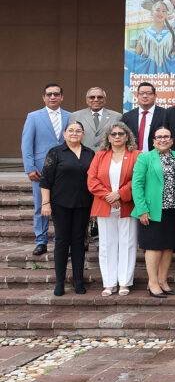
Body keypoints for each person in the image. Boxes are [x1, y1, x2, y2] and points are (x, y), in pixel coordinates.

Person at [40, 121, 95, 295]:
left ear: (83, 134)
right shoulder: (55, 152)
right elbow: (45, 180)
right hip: (60, 204)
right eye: (70, 130)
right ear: (64, 134)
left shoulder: (90, 153)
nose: (74, 133)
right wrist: (45, 203)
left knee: (79, 242)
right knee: (62, 241)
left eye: (78, 130)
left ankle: (79, 281)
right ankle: (60, 283)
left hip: (83, 204)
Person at [86, 123, 140, 296]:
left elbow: (138, 179)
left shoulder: (136, 155)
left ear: (127, 136)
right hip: (104, 205)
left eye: (121, 133)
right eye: (113, 134)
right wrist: (108, 196)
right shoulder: (100, 155)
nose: (117, 137)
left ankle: (124, 282)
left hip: (126, 205)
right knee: (107, 245)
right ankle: (109, 283)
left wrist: (120, 194)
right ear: (108, 138)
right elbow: (92, 180)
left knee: (128, 243)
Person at [21, 83, 73, 256]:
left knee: (65, 206)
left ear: (61, 97)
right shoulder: (34, 117)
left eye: (56, 94)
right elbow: (26, 144)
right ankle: (41, 241)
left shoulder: (70, 116)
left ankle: (64, 240)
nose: (53, 97)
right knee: (40, 205)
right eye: (49, 94)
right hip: (41, 170)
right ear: (43, 97)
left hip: (66, 170)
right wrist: (29, 168)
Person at [131, 126, 175, 298]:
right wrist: (142, 209)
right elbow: (136, 185)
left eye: (166, 136)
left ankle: (162, 280)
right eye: (159, 137)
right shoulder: (145, 158)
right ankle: (152, 282)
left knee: (168, 247)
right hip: (151, 210)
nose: (163, 139)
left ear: (172, 140)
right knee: (153, 247)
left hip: (173, 209)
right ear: (153, 141)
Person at [129, 0, 175, 72]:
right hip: (148, 76)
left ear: (166, 14)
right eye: (157, 10)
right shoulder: (144, 34)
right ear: (151, 13)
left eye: (164, 11)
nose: (161, 13)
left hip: (168, 77)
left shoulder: (172, 33)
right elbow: (136, 57)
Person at [71, 86, 122, 151]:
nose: (96, 100)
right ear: (87, 100)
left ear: (105, 99)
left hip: (107, 155)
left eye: (100, 97)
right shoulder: (75, 116)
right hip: (82, 156)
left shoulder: (117, 116)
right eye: (92, 97)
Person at [121, 82, 167, 153]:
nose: (145, 96)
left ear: (155, 96)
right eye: (141, 93)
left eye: (149, 93)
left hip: (157, 155)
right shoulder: (127, 116)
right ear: (137, 96)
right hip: (133, 156)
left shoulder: (165, 114)